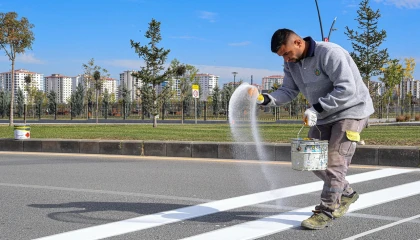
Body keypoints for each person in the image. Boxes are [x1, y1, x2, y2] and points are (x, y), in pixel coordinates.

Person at [254, 28, 374, 230]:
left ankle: (327, 210)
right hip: (323, 114)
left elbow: (346, 89)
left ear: (298, 43)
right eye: (282, 56)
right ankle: (346, 193)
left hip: (351, 111)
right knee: (311, 159)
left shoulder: (330, 53)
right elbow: (288, 91)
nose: (286, 59)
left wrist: (316, 107)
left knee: (335, 161)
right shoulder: (290, 63)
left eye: (286, 53)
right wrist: (265, 99)